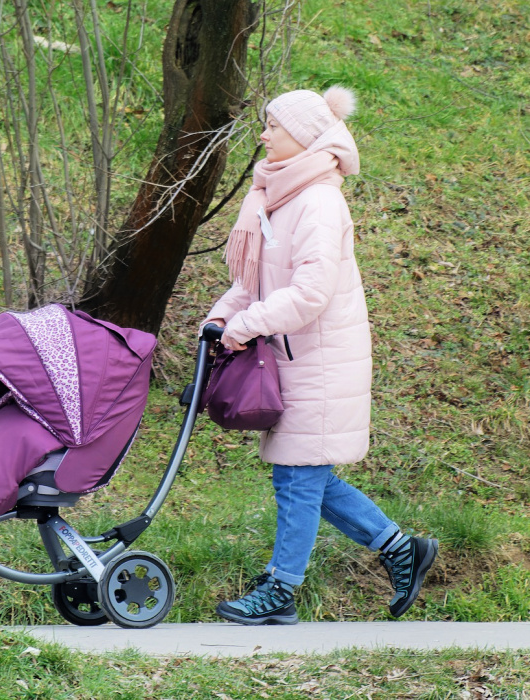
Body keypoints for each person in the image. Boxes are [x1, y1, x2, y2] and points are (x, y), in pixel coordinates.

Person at [202, 86, 438, 625]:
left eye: (273, 127)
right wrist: (219, 318)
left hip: (322, 361)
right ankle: (401, 548)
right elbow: (254, 281)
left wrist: (246, 325)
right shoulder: (277, 197)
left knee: (298, 479)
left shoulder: (318, 202)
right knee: (307, 477)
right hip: (292, 357)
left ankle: (281, 590)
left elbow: (309, 294)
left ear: (304, 137)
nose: (263, 135)